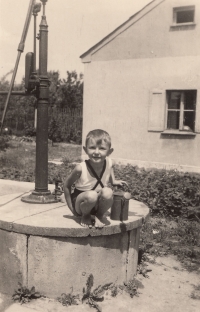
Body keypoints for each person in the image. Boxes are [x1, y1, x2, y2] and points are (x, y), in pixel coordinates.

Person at [63, 129, 127, 228]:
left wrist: (113, 181)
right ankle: (86, 216)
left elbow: (110, 167)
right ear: (85, 149)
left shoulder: (110, 162)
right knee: (92, 195)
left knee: (108, 192)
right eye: (92, 148)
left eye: (102, 148)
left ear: (109, 151)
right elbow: (67, 185)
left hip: (96, 203)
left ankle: (99, 215)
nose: (96, 152)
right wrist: (71, 208)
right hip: (81, 203)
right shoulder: (81, 168)